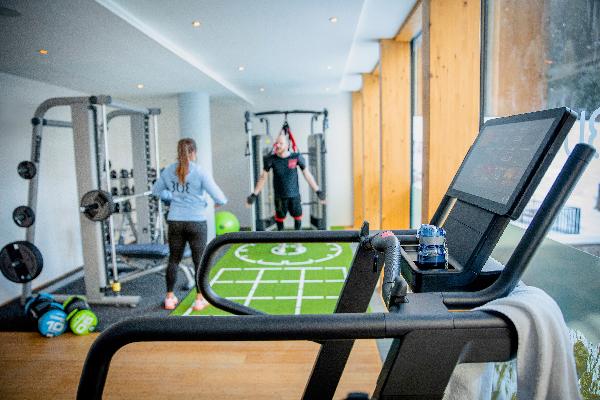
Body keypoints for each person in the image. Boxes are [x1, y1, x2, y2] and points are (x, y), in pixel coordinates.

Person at [152, 138, 227, 311]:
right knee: (198, 260)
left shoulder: (168, 171)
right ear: (194, 153)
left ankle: (169, 298)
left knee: (174, 259)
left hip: (175, 221)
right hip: (196, 222)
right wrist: (210, 204)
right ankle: (199, 299)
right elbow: (221, 199)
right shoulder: (200, 172)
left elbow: (156, 191)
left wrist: (173, 197)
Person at [246, 133, 325, 230]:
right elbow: (263, 178)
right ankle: (281, 239)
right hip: (279, 197)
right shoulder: (271, 159)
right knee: (279, 220)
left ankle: (298, 238)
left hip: (294, 196)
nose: (277, 145)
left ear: (287, 145)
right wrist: (254, 195)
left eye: (281, 143)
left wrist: (318, 191)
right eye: (276, 143)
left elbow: (307, 175)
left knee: (298, 218)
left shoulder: (296, 157)